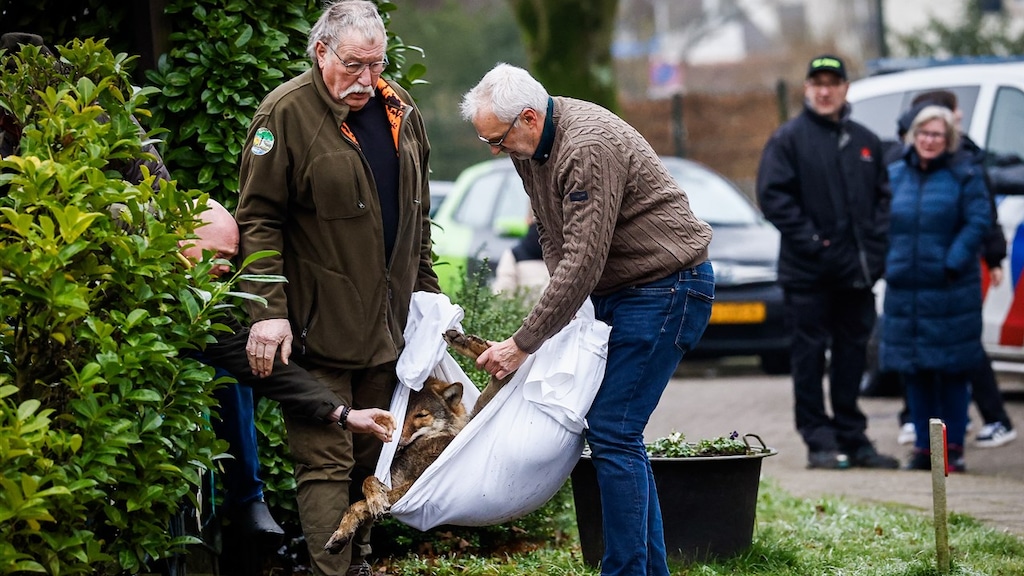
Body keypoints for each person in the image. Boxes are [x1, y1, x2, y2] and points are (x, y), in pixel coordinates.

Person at [460, 63, 715, 576]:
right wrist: (570, 314)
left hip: (668, 288)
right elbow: (554, 239)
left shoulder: (586, 147)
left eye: (497, 139)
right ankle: (646, 570)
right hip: (623, 291)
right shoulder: (531, 148)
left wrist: (523, 342)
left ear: (528, 117)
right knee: (618, 433)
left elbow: (584, 257)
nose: (496, 150)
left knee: (613, 428)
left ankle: (624, 570)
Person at [233, 1, 439, 574]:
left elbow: (416, 216)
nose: (368, 81)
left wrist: (427, 297)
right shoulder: (285, 115)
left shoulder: (400, 108)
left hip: (388, 327)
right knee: (324, 463)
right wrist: (267, 313)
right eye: (354, 65)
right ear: (321, 51)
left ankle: (362, 561)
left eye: (377, 65)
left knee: (372, 456)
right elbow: (257, 220)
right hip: (314, 330)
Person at [180, 201, 397, 540]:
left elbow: (250, 361)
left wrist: (343, 413)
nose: (227, 269)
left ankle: (248, 499)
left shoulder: (203, 306)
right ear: (181, 239)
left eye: (231, 259)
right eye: (219, 255)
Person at [756, 54, 899, 470]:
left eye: (832, 82)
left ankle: (854, 437)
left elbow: (883, 204)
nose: (824, 90)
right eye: (817, 82)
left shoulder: (866, 141)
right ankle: (819, 440)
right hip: (808, 276)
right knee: (809, 357)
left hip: (857, 276)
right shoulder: (788, 140)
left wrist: (874, 252)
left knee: (854, 356)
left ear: (845, 89)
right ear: (806, 89)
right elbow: (775, 200)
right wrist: (817, 244)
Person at [888, 90, 1018, 450]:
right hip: (907, 290)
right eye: (924, 133)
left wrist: (953, 261)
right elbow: (879, 221)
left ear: (950, 139)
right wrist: (889, 262)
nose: (930, 141)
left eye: (938, 135)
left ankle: (953, 449)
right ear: (912, 135)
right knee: (915, 372)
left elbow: (979, 220)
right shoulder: (894, 174)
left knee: (953, 372)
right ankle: (924, 451)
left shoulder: (966, 173)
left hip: (949, 288)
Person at [491, 217, 549, 303]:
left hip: (525, 314)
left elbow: (502, 295)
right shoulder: (570, 253)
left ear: (528, 219)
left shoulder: (514, 254)